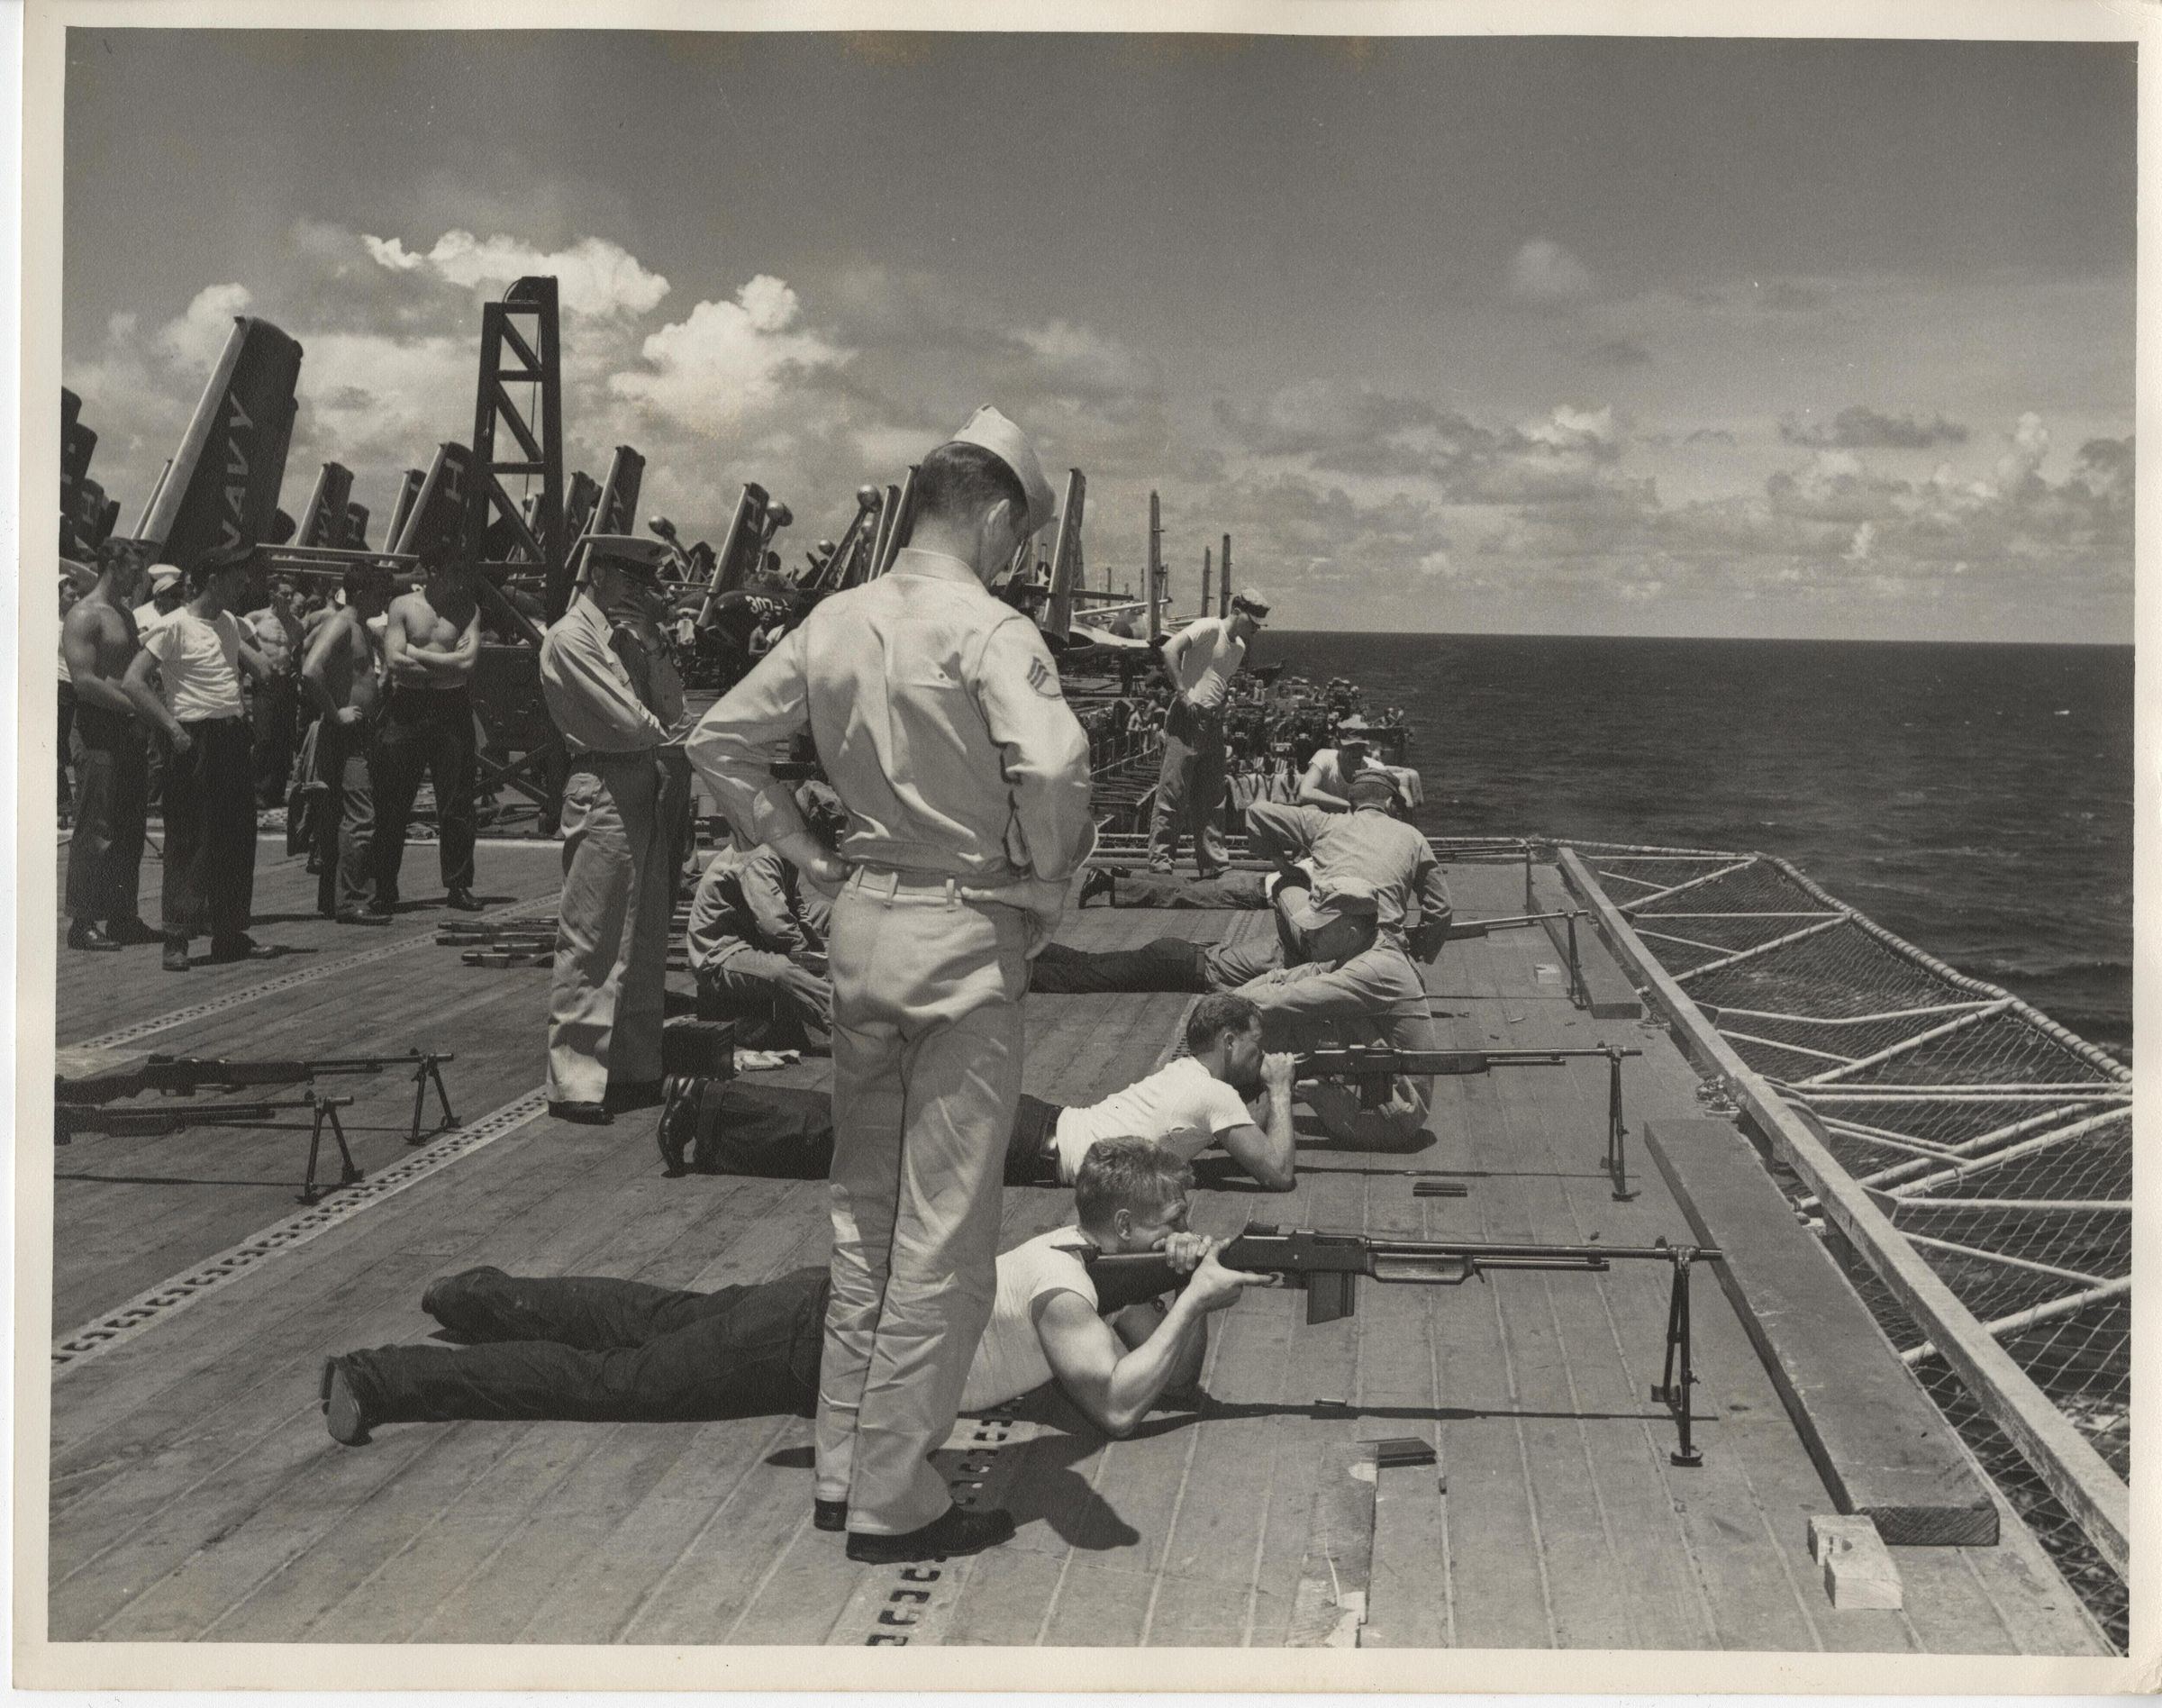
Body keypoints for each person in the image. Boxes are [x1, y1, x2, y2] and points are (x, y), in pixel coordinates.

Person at [687, 407, 1092, 1563]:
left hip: (859, 929)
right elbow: (1054, 762)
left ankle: (841, 1463)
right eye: (1023, 535)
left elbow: (720, 745)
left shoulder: (833, 619)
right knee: (945, 1237)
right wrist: (1046, 878)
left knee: (862, 1219)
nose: (1018, 557)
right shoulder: (991, 628)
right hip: (964, 935)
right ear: (1000, 512)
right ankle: (895, 1492)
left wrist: (812, 862)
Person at [318, 1140, 1272, 1553]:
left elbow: (1155, 1379)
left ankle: (476, 1294)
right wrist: (1197, 1299)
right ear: (1126, 1223)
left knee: (648, 1317)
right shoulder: (1068, 1292)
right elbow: (1114, 1403)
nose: (1188, 1229)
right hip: (810, 1350)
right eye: (1173, 1221)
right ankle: (383, 1378)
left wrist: (1181, 1282)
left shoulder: (1077, 1256)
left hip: (825, 1309)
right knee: (618, 1380)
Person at [660, 991, 1300, 1193]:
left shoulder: (1194, 1079)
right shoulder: (1215, 1097)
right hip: (1031, 1143)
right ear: (1225, 1039)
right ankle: (714, 1108)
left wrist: (1266, 1095)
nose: (1260, 1055)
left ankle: (716, 1117)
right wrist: (1283, 1089)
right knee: (862, 1138)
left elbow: (1238, 1136)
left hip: (1035, 1128)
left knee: (869, 1131)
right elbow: (1275, 1173)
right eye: (1254, 1042)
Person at [538, 535, 689, 1124]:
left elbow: (674, 710)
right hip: (602, 783)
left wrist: (654, 642)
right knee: (593, 936)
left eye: (643, 578)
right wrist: (666, 733)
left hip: (644, 783)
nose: (639, 589)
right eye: (627, 576)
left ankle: (632, 1067)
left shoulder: (631, 640)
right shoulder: (572, 638)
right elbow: (632, 722)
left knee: (646, 934)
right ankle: (574, 1083)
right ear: (595, 574)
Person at [121, 541, 277, 970]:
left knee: (235, 837)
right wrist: (171, 728)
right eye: (237, 578)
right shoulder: (173, 626)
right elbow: (133, 682)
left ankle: (229, 933)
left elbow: (262, 669)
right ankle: (177, 936)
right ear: (213, 579)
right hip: (193, 737)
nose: (244, 585)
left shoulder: (229, 623)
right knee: (190, 839)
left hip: (229, 736)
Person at [686, 784, 843, 1052]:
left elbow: (797, 910)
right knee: (781, 972)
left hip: (750, 937)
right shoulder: (761, 854)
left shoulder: (784, 848)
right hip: (721, 956)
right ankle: (849, 1029)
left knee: (827, 913)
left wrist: (817, 952)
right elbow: (776, 927)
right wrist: (809, 963)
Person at [375, 546, 484, 913]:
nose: (459, 582)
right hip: (408, 708)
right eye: (453, 573)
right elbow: (394, 661)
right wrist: (447, 662)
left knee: (456, 802)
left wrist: (418, 654)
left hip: (451, 709)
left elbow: (467, 665)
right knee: (393, 802)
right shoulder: (403, 606)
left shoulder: (468, 609)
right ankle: (384, 886)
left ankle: (458, 884)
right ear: (433, 571)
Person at [61, 540, 154, 949]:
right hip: (99, 728)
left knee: (130, 825)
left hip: (128, 729)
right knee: (96, 825)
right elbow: (84, 681)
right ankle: (82, 922)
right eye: (135, 568)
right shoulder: (84, 615)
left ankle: (121, 915)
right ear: (113, 566)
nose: (141, 576)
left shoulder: (126, 614)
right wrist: (135, 710)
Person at [1146, 588, 1268, 877]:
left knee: (1213, 798)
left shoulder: (1238, 648)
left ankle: (1213, 863)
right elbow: (1169, 649)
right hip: (1187, 717)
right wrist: (1183, 694)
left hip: (1212, 721)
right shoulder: (1209, 627)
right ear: (1237, 610)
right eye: (1252, 622)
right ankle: (1161, 862)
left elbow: (1216, 681)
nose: (1255, 629)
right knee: (1173, 792)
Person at [300, 563, 395, 923]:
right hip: (346, 733)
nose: (384, 603)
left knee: (338, 816)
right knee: (360, 817)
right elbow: (310, 670)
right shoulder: (342, 624)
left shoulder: (361, 629)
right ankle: (351, 899)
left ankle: (334, 897)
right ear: (359, 594)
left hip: (360, 731)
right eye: (379, 595)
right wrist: (337, 713)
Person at [245, 581, 305, 807]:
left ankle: (276, 790)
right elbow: (242, 645)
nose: (288, 599)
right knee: (265, 737)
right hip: (265, 682)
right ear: (272, 595)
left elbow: (299, 653)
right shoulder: (256, 619)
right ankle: (258, 789)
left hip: (286, 684)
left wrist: (297, 672)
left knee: (285, 738)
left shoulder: (296, 624)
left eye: (291, 595)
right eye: (284, 594)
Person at [1294, 725, 1422, 813]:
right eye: (1351, 748)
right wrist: (1345, 804)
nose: (1356, 752)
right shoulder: (1325, 757)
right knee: (1309, 810)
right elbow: (1305, 792)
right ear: (1338, 746)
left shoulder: (1375, 768)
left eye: (1360, 747)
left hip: (1358, 821)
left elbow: (1399, 801)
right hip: (1326, 818)